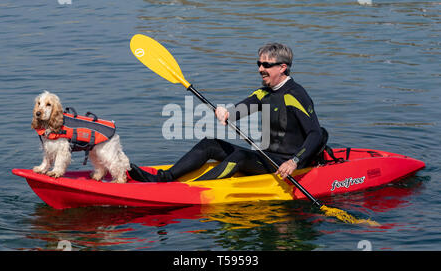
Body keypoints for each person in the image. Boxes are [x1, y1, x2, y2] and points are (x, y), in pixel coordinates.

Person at [129, 42, 323, 182]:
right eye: (259, 64)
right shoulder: (264, 93)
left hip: (285, 164)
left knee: (238, 157)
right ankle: (165, 177)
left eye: (266, 65)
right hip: (266, 157)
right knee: (210, 144)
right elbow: (243, 108)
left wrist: (294, 162)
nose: (260, 69)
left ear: (283, 67)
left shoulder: (297, 95)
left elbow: (316, 134)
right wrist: (226, 113)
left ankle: (193, 189)